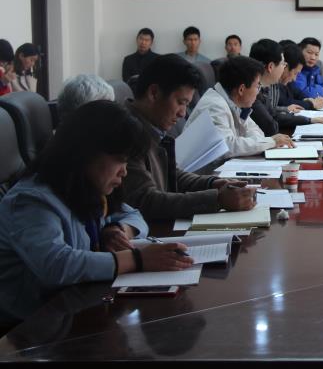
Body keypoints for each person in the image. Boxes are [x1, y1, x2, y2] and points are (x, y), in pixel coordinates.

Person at [0, 100, 194, 327]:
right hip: (30, 328)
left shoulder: (83, 187)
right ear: (86, 153)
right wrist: (138, 259)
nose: (124, 172)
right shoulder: (31, 201)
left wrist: (117, 230)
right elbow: (56, 265)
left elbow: (134, 215)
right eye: (120, 160)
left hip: (75, 309)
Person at [121, 54, 257, 221]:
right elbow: (146, 201)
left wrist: (213, 183)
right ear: (154, 93)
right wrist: (217, 199)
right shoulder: (126, 132)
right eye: (181, 102)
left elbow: (173, 175)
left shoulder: (151, 126)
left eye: (186, 104)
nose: (182, 113)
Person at [186, 55, 294, 157]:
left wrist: (263, 142)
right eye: (257, 86)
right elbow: (226, 146)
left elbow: (255, 131)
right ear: (241, 89)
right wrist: (271, 142)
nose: (258, 92)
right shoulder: (214, 106)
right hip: (206, 170)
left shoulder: (234, 102)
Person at [249, 39, 323, 135]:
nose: (284, 68)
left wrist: (308, 120)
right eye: (283, 64)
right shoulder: (252, 92)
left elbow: (273, 114)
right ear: (270, 67)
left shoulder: (262, 88)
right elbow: (271, 126)